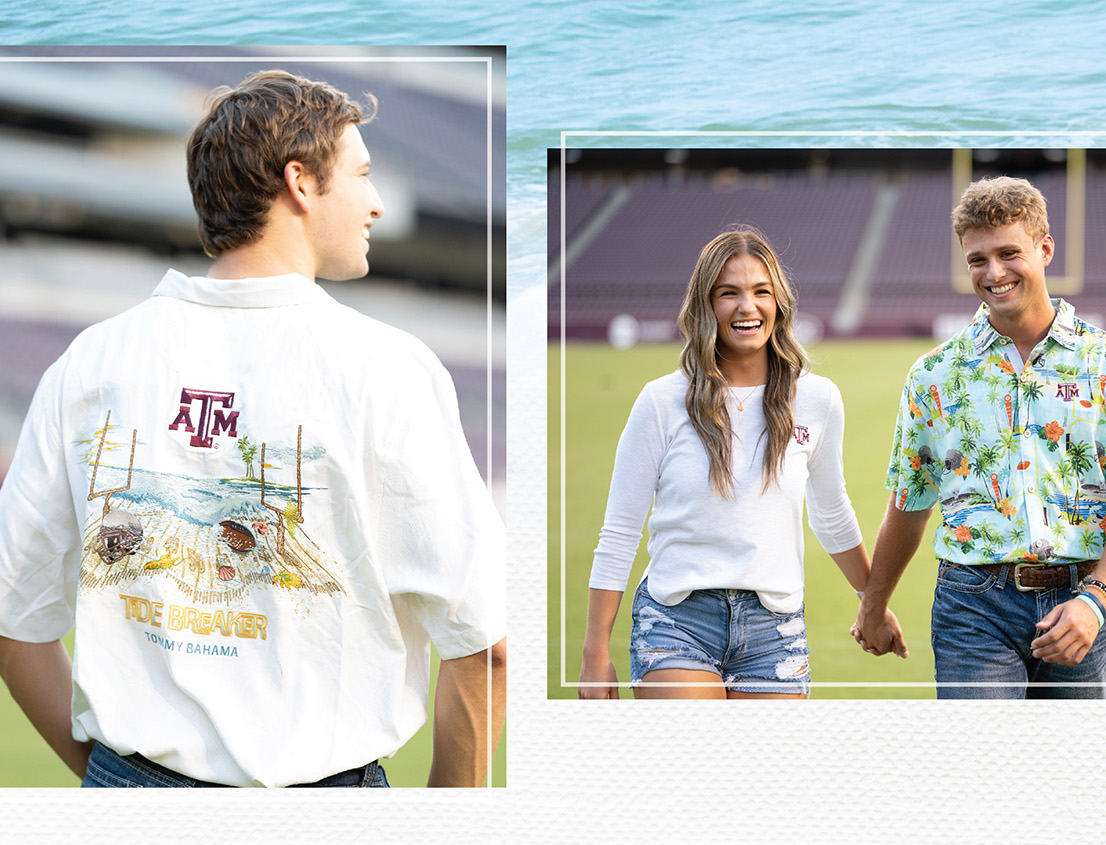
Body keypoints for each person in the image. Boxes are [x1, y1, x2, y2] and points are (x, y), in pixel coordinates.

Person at [0, 70, 505, 787]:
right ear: (300, 183)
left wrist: (114, 778)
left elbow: (14, 619)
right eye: (361, 175)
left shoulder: (91, 361)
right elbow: (486, 646)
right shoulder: (388, 370)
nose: (377, 203)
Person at [853, 175, 1106, 698]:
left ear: (1045, 249)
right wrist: (872, 605)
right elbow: (909, 503)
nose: (994, 272)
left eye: (1009, 252)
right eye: (977, 259)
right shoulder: (935, 375)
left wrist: (1096, 600)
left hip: (1082, 602)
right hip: (972, 602)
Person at [579, 227, 899, 700]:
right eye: (729, 293)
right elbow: (620, 531)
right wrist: (593, 655)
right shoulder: (662, 402)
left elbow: (830, 514)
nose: (747, 306)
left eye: (761, 292)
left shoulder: (817, 399)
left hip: (775, 631)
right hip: (677, 621)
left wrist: (871, 602)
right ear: (706, 306)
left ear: (779, 303)